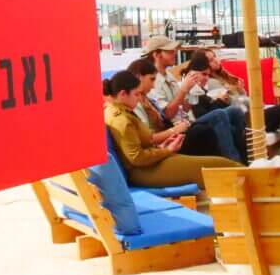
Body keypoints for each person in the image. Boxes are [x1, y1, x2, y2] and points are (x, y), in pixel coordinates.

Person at [103, 69, 239, 189]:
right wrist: (167, 150)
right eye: (136, 94)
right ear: (123, 94)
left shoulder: (122, 112)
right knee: (218, 167)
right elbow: (137, 158)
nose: (139, 99)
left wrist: (162, 148)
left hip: (150, 164)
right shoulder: (121, 119)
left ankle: (246, 177)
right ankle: (248, 180)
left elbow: (142, 145)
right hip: (144, 171)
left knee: (219, 164)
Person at [142, 36, 250, 161]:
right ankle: (234, 162)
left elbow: (185, 107)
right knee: (219, 115)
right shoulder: (152, 81)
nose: (175, 53)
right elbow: (168, 114)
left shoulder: (169, 76)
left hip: (186, 122)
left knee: (235, 110)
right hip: (175, 129)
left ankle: (246, 159)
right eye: (170, 51)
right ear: (156, 55)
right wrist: (184, 90)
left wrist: (191, 90)